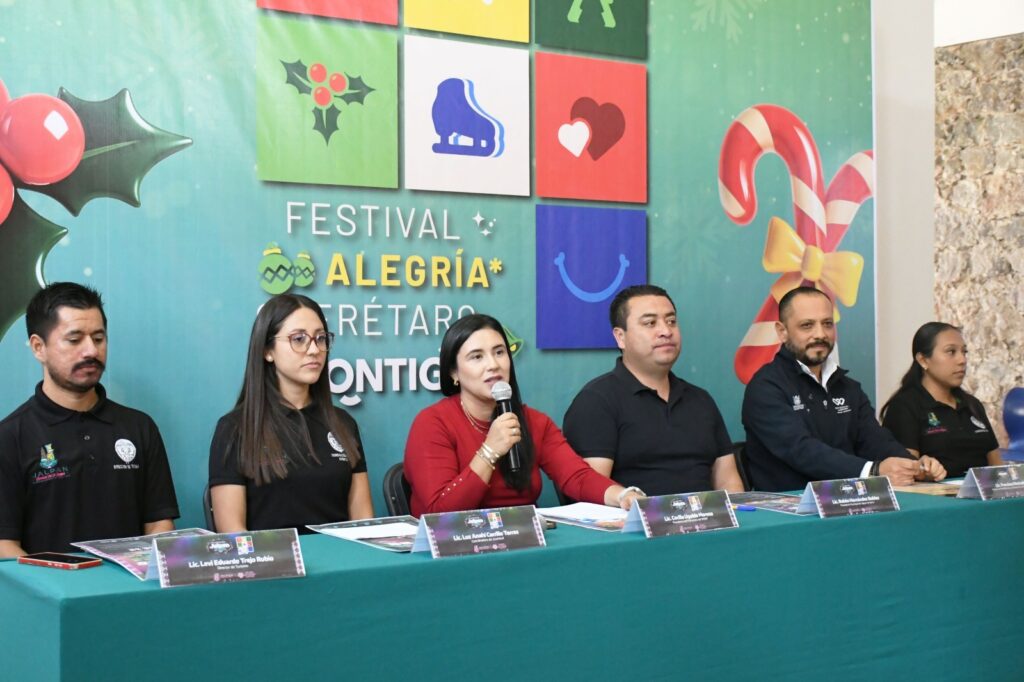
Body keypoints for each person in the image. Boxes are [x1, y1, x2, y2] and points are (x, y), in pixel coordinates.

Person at [0, 283, 179, 556]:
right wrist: (51, 582)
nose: (91, 351)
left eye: (98, 338)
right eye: (74, 340)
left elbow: (158, 524)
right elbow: (5, 544)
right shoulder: (10, 436)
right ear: (38, 347)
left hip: (128, 583)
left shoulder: (139, 427)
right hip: (48, 583)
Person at [403, 314, 643, 516]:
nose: (493, 365)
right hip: (453, 548)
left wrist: (622, 496)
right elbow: (440, 512)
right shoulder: (432, 423)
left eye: (499, 352)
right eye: (477, 357)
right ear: (453, 373)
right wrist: (490, 450)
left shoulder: (533, 421)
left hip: (522, 543)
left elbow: (576, 476)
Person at [742, 286, 946, 491]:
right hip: (791, 506)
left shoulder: (848, 387)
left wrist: (914, 467)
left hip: (851, 500)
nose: (820, 334)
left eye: (827, 324)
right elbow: (801, 450)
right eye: (807, 325)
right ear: (782, 331)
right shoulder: (765, 387)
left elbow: (875, 440)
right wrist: (873, 471)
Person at [208, 294, 373, 532]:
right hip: (271, 555)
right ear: (267, 350)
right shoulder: (236, 428)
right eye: (299, 339)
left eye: (320, 338)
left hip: (341, 553)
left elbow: (363, 522)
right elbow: (232, 532)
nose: (314, 349)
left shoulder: (343, 423)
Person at [563, 285, 743, 496]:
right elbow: (592, 492)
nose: (666, 331)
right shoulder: (596, 401)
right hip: (635, 516)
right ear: (620, 337)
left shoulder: (700, 400)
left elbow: (729, 481)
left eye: (671, 321)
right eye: (650, 323)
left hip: (707, 516)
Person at [880, 322, 1001, 477]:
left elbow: (997, 466)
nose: (962, 360)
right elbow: (906, 472)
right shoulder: (904, 406)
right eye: (951, 352)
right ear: (923, 360)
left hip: (982, 491)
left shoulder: (972, 404)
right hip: (935, 492)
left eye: (964, 352)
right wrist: (927, 473)